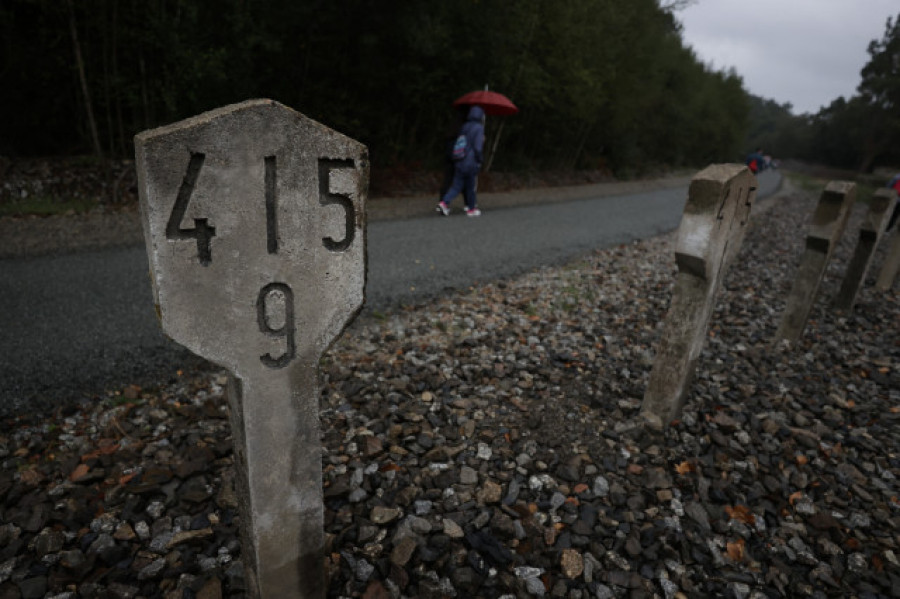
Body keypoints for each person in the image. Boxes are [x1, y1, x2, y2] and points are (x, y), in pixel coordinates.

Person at [437, 105, 485, 217]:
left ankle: (444, 202)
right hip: (471, 161)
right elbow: (477, 148)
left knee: (457, 185)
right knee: (470, 187)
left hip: (460, 159)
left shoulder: (465, 126)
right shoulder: (478, 128)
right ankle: (471, 209)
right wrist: (480, 159)